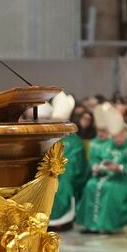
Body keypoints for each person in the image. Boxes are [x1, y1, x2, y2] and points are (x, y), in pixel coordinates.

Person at [77, 107, 127, 234]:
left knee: (110, 188)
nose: (115, 140)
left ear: (123, 132)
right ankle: (91, 225)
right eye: (113, 137)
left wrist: (121, 168)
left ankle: (108, 225)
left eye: (117, 137)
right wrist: (99, 167)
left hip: (124, 179)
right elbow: (99, 159)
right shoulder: (108, 143)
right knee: (91, 185)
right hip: (105, 175)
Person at [48, 92, 88, 231]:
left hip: (66, 174)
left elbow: (75, 164)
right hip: (47, 172)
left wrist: (58, 169)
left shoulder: (74, 140)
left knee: (62, 185)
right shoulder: (47, 137)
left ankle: (62, 221)